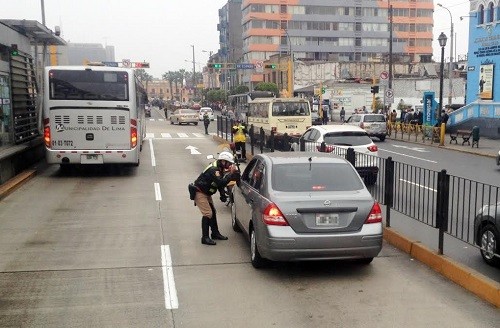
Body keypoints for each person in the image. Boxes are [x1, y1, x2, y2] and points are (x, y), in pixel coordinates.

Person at [193, 151, 240, 245]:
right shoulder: (214, 169)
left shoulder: (220, 168)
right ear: (223, 161)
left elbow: (219, 184)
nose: (229, 165)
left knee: (213, 212)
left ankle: (215, 233)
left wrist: (222, 194)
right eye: (228, 163)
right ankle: (205, 237)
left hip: (206, 193)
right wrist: (231, 175)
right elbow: (220, 182)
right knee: (207, 213)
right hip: (200, 192)